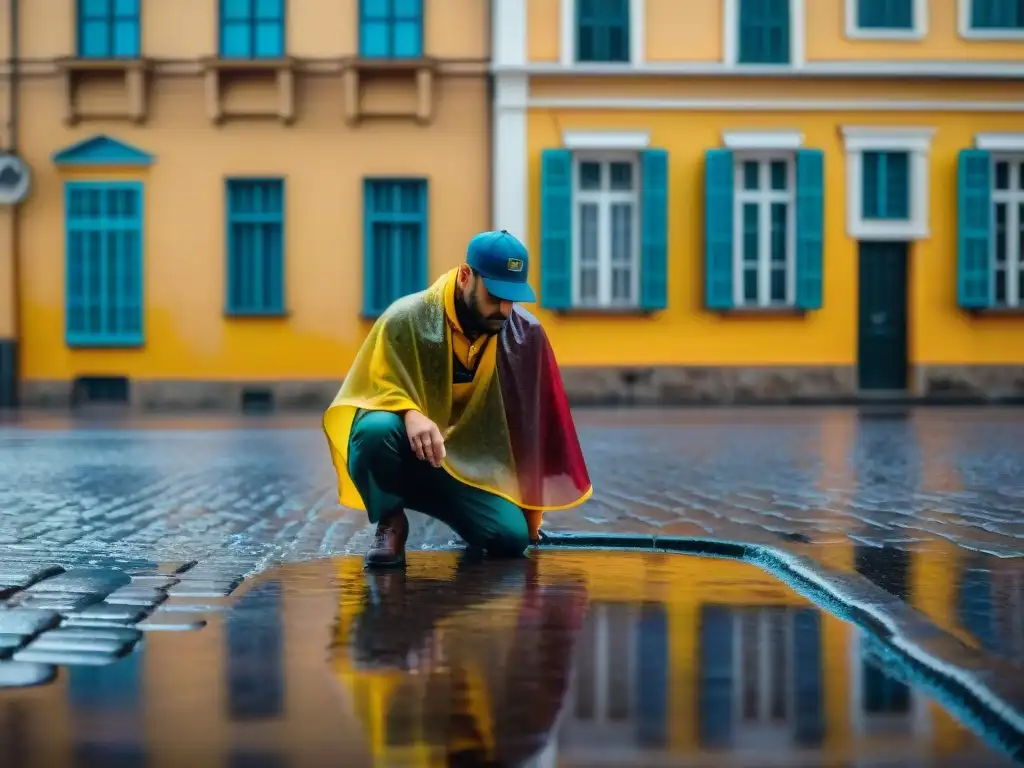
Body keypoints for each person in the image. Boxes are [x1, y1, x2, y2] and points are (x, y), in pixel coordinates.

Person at [323, 230, 592, 568]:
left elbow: (532, 426)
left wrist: (530, 516)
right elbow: (372, 389)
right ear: (466, 276)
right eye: (495, 296)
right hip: (408, 450)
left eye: (513, 299)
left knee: (509, 540)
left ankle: (462, 512)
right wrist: (409, 412)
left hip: (475, 468)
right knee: (374, 428)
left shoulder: (526, 337)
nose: (505, 310)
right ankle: (391, 521)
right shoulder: (404, 318)